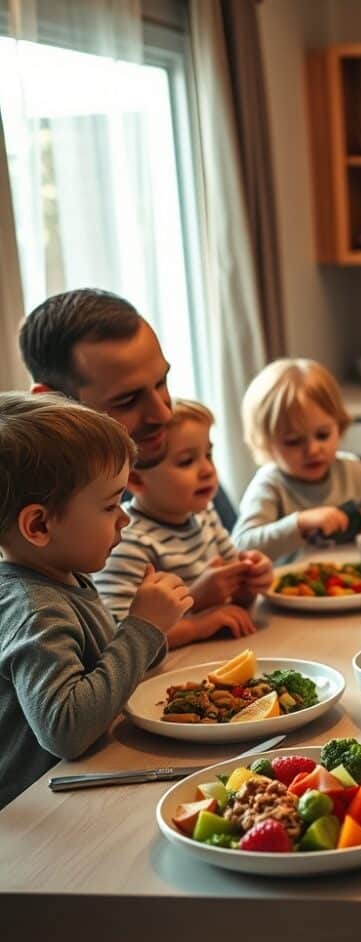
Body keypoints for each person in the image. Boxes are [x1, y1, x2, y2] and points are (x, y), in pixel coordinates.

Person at [0, 392, 192, 810]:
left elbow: (106, 669)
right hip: (40, 815)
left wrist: (151, 629)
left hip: (82, 784)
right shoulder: (34, 608)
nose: (125, 518)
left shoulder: (66, 576)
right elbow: (65, 729)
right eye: (111, 505)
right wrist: (143, 628)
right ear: (38, 524)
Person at [17, 288, 238, 530]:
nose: (164, 414)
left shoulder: (176, 461)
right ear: (54, 401)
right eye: (127, 400)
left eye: (161, 383)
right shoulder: (33, 516)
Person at [94, 400, 273, 648]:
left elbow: (234, 603)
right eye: (187, 461)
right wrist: (197, 619)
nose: (208, 470)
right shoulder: (126, 539)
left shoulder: (205, 514)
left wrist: (249, 582)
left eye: (208, 454)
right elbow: (122, 640)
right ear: (135, 480)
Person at [233, 358, 361, 563]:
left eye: (322, 435)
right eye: (294, 441)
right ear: (267, 444)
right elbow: (242, 545)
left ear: (339, 425)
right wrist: (299, 523)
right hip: (293, 590)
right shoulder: (270, 484)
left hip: (357, 582)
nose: (312, 450)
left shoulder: (352, 470)